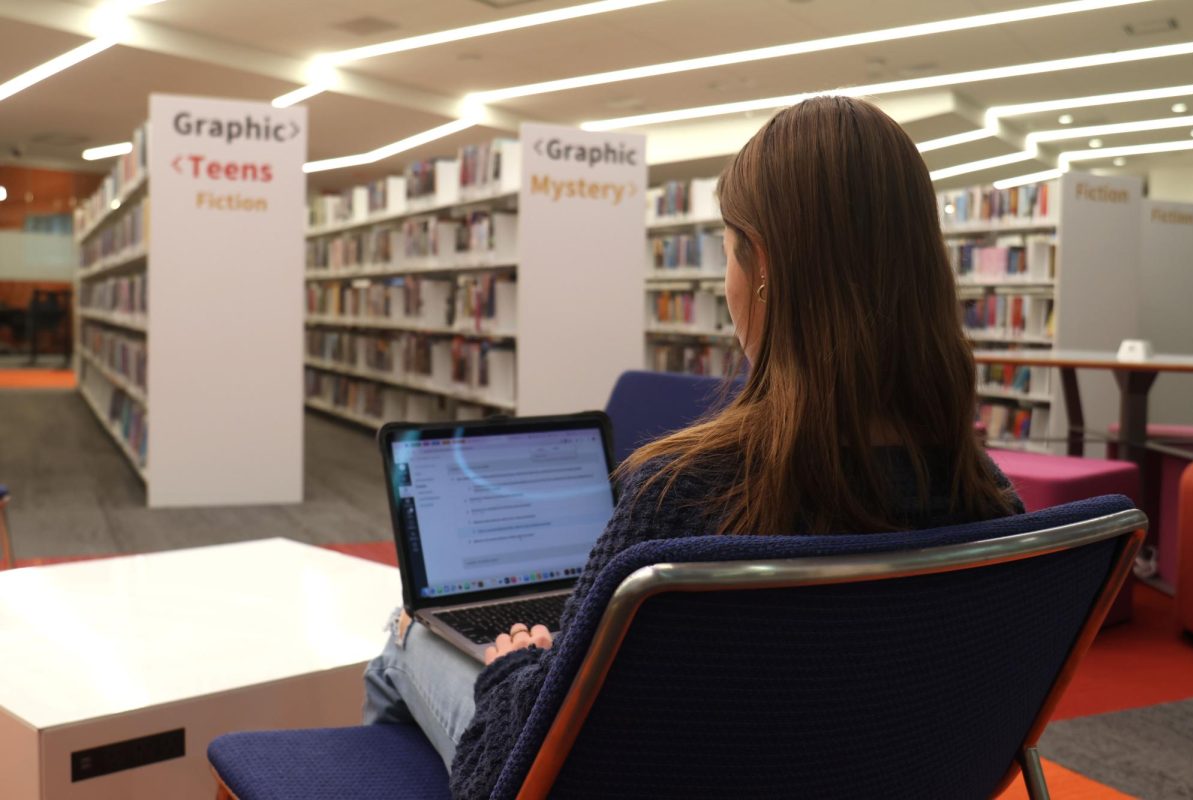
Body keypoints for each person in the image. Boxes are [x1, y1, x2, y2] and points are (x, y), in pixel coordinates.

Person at [362, 95, 1025, 799]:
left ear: (763, 265)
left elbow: (508, 774)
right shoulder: (988, 499)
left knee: (406, 636)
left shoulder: (685, 494)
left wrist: (513, 671)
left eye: (727, 249)